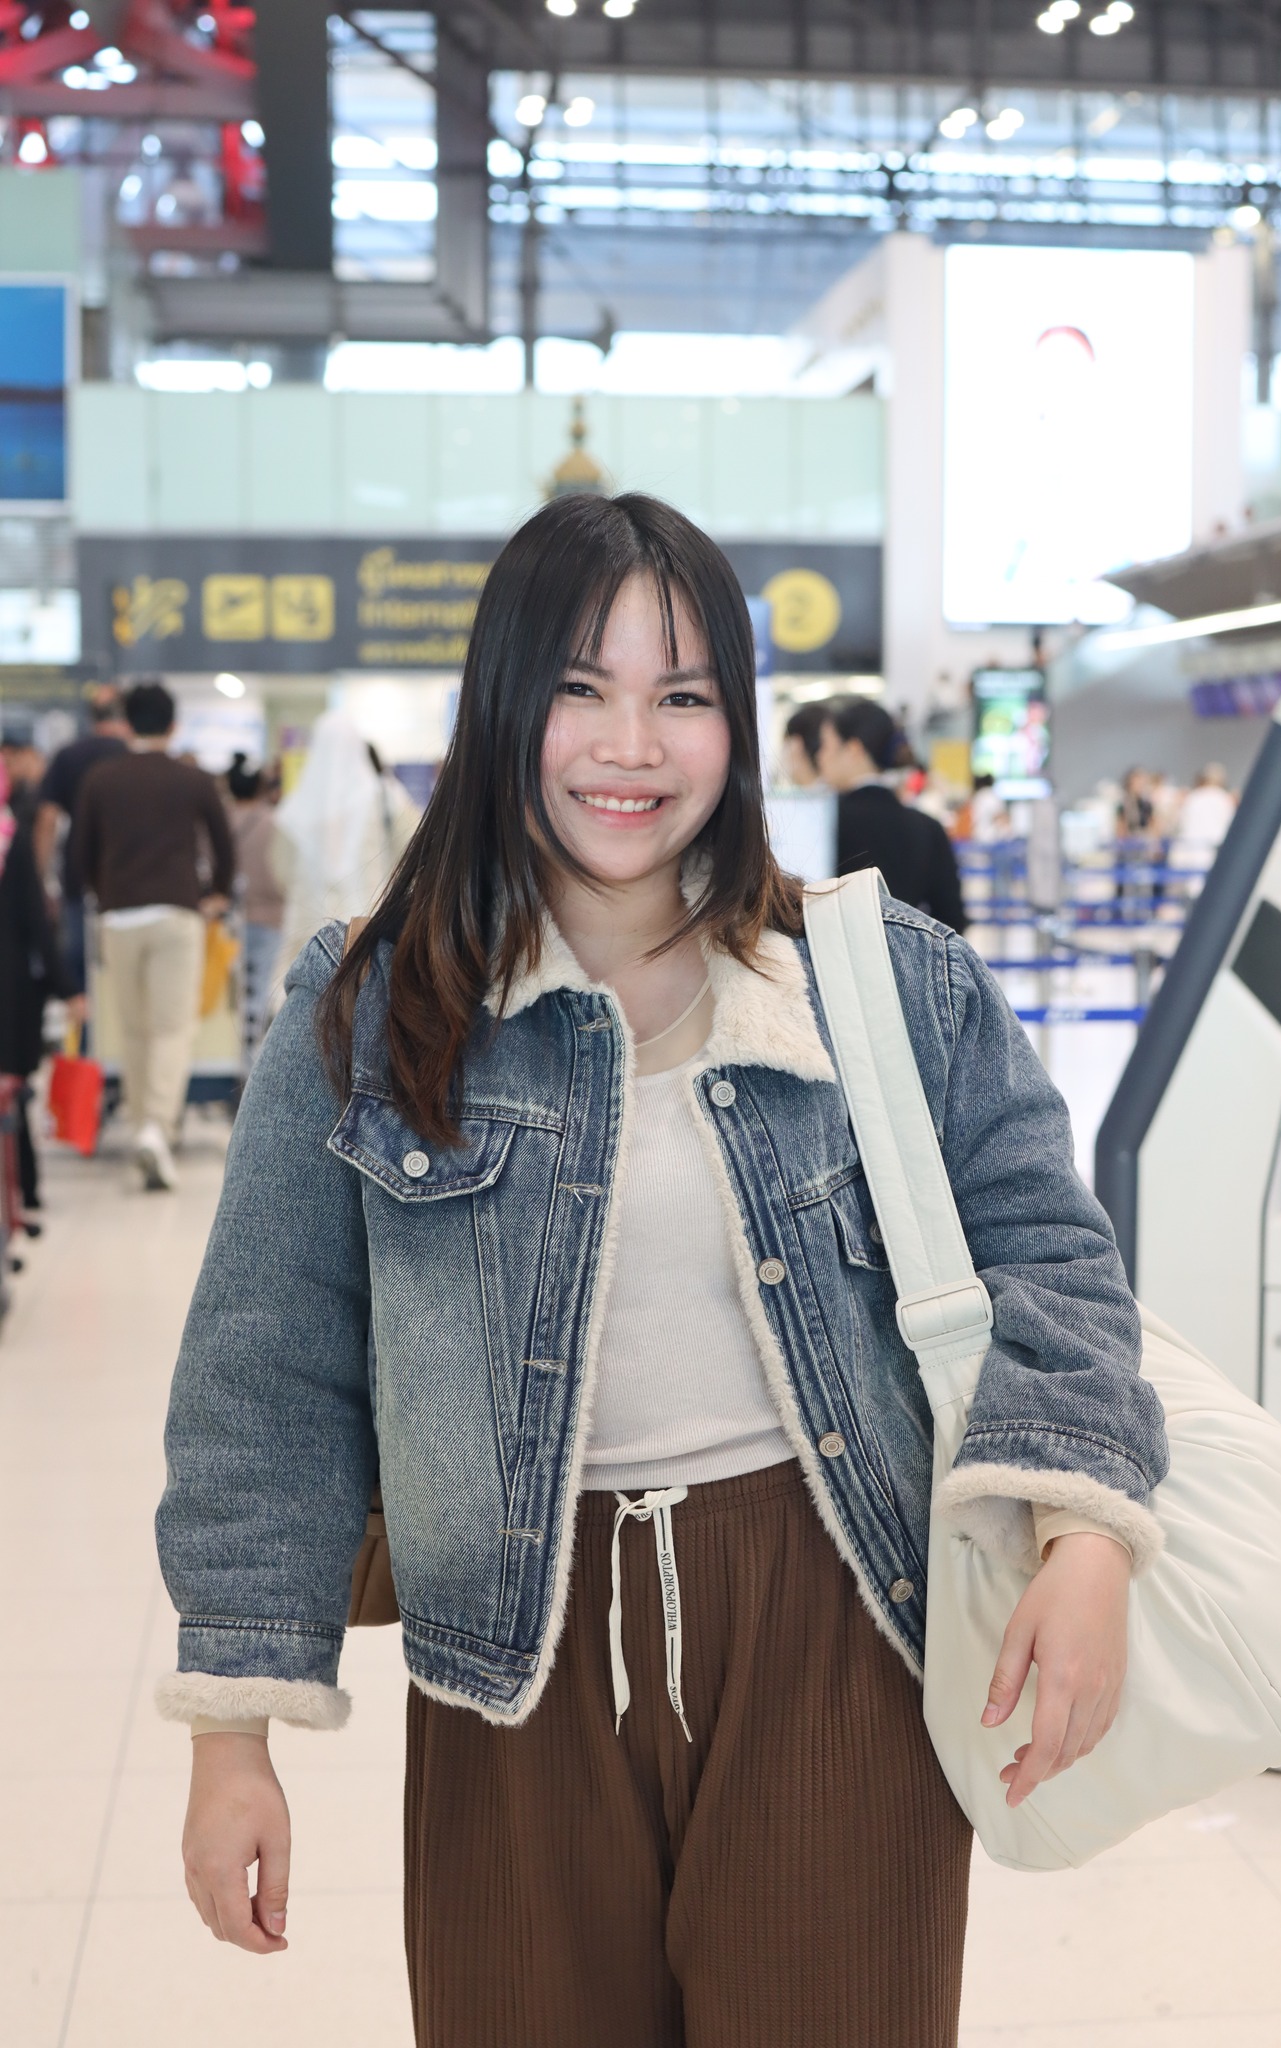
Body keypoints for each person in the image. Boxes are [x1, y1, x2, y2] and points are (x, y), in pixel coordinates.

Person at [157, 492, 1165, 2048]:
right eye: (582, 688)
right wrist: (234, 1733)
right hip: (511, 1655)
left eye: (681, 697)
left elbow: (1049, 1247)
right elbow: (265, 1374)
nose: (630, 746)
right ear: (504, 704)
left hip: (834, 1617)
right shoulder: (373, 1009)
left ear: (736, 727)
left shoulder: (873, 979)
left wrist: (1084, 1535)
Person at [70, 680, 235, 1192]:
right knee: (171, 1028)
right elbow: (224, 846)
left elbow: (78, 855)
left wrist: (103, 894)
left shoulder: (100, 780)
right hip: (177, 915)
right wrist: (217, 893)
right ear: (173, 725)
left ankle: (146, 1125)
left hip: (118, 917)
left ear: (125, 724)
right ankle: (155, 1130)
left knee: (134, 1028)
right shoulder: (193, 779)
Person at [270, 712, 421, 1000]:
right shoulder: (387, 798)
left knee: (309, 1012)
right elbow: (415, 856)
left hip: (307, 935)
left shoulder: (295, 807)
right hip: (371, 933)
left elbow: (281, 873)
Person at [0, 741, 77, 1218]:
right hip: (9, 991)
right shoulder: (10, 838)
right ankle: (21, 1192)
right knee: (11, 1097)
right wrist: (65, 986)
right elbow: (34, 919)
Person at [816, 696, 967, 933]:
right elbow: (951, 920)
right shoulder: (928, 827)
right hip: (909, 955)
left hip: (831, 953)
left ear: (854, 749)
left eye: (826, 745)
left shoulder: (823, 822)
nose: (820, 757)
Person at [33, 687, 130, 995]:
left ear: (90, 717)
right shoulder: (131, 756)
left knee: (79, 967)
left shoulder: (68, 756)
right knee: (121, 972)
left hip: (78, 874)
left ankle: (85, 1024)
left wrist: (41, 880)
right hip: (127, 877)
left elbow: (47, 820)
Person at [226, 753, 283, 1070]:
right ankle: (252, 1064)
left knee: (232, 994)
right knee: (260, 990)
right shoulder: (273, 823)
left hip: (230, 919)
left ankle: (232, 1058)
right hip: (270, 917)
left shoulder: (220, 821)